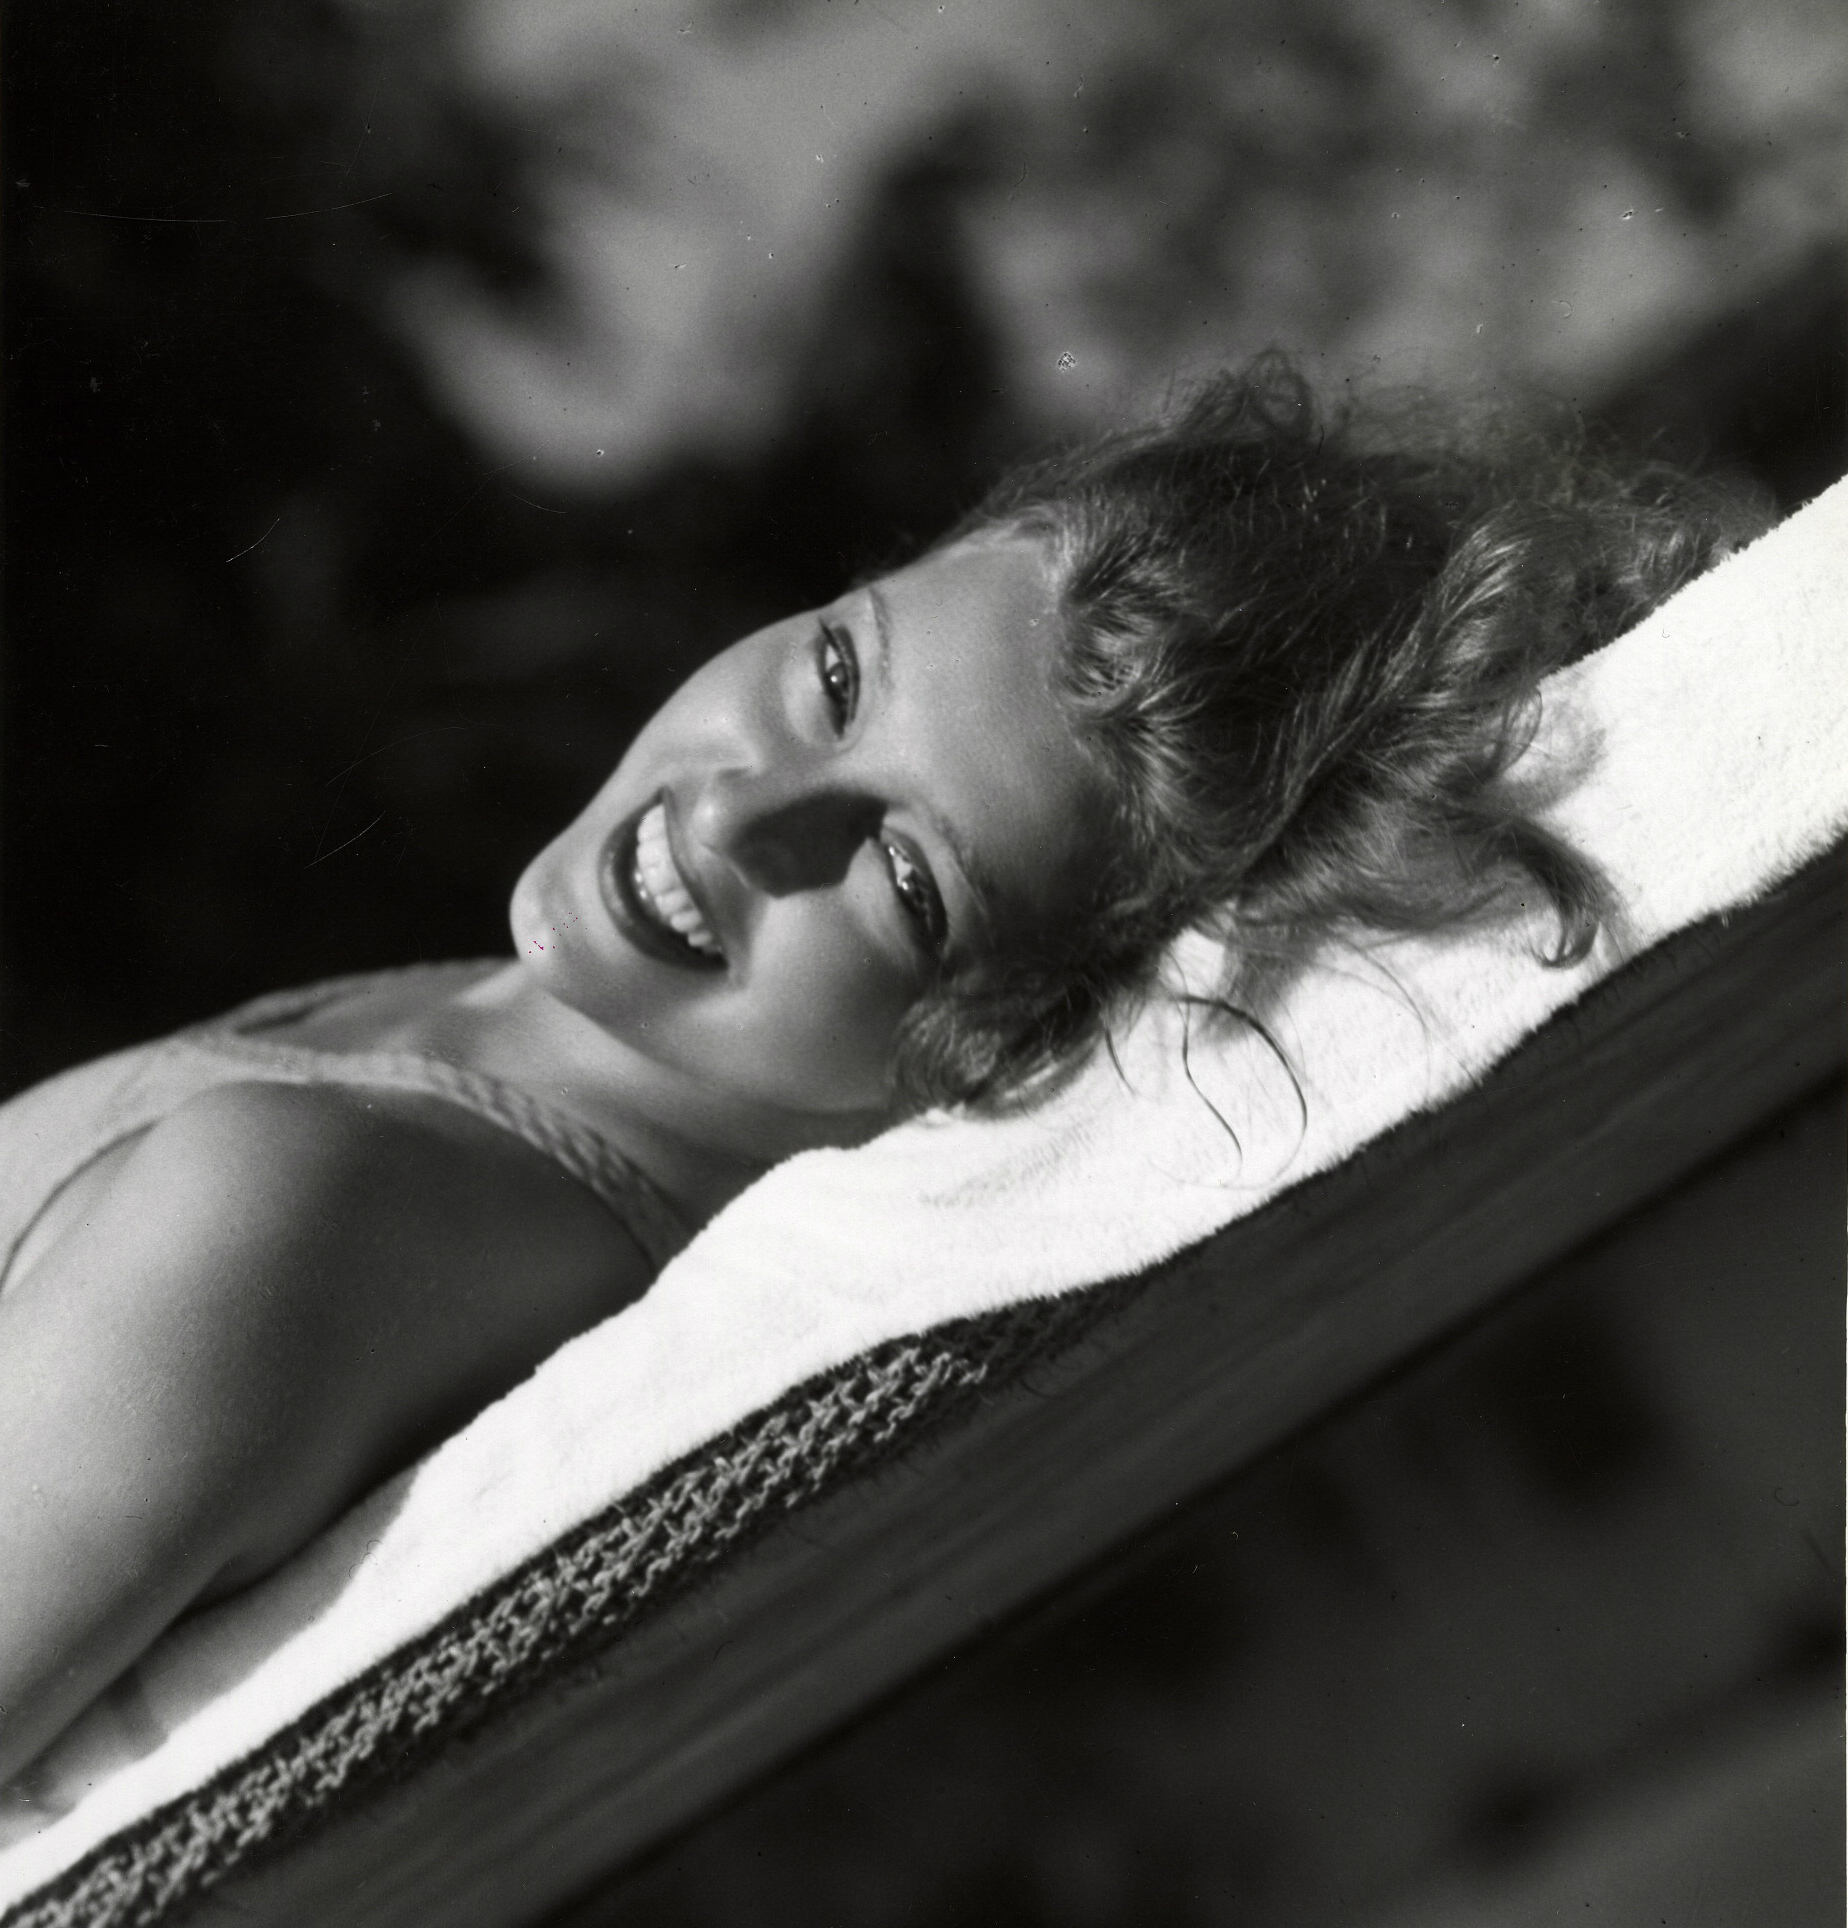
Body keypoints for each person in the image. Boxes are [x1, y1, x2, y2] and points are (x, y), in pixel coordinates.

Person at [0, 362, 1749, 1782]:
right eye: (837, 671)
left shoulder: (293, 1210)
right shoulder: (467, 1046)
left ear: (1008, 1044)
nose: (736, 817)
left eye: (909, 884)